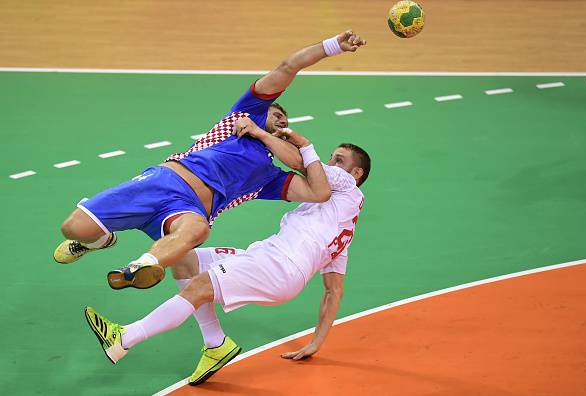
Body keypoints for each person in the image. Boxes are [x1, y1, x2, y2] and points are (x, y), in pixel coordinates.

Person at [53, 30, 367, 290]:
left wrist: (274, 138)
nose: (281, 117)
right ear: (262, 110)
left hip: (186, 211)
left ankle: (142, 266)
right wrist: (331, 47)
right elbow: (287, 67)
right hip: (164, 181)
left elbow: (317, 192)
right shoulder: (240, 117)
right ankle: (99, 240)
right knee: (73, 227)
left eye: (285, 119)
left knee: (198, 231)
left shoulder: (269, 176)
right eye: (276, 112)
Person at [83, 128, 371, 386]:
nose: (332, 165)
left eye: (339, 160)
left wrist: (277, 137)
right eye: (332, 158)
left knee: (199, 288)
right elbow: (333, 291)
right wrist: (316, 342)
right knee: (186, 258)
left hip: (278, 266)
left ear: (355, 174)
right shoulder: (343, 227)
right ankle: (215, 343)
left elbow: (302, 164)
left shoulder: (346, 185)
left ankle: (123, 339)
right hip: (269, 259)